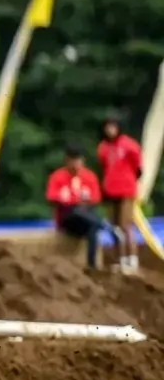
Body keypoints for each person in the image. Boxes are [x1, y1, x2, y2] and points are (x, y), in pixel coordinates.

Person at [46, 145, 116, 270]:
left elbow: (96, 198)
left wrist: (79, 202)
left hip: (85, 219)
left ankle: (91, 265)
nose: (75, 164)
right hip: (68, 217)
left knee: (93, 228)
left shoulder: (89, 176)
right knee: (76, 211)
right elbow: (51, 197)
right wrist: (73, 201)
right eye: (72, 160)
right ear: (67, 161)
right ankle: (104, 226)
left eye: (78, 160)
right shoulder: (57, 177)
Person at [97, 116, 142, 272]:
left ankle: (132, 259)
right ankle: (120, 259)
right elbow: (104, 167)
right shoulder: (103, 148)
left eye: (113, 127)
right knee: (114, 227)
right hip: (111, 190)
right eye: (107, 127)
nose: (110, 130)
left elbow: (138, 167)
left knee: (126, 225)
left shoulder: (129, 145)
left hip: (126, 190)